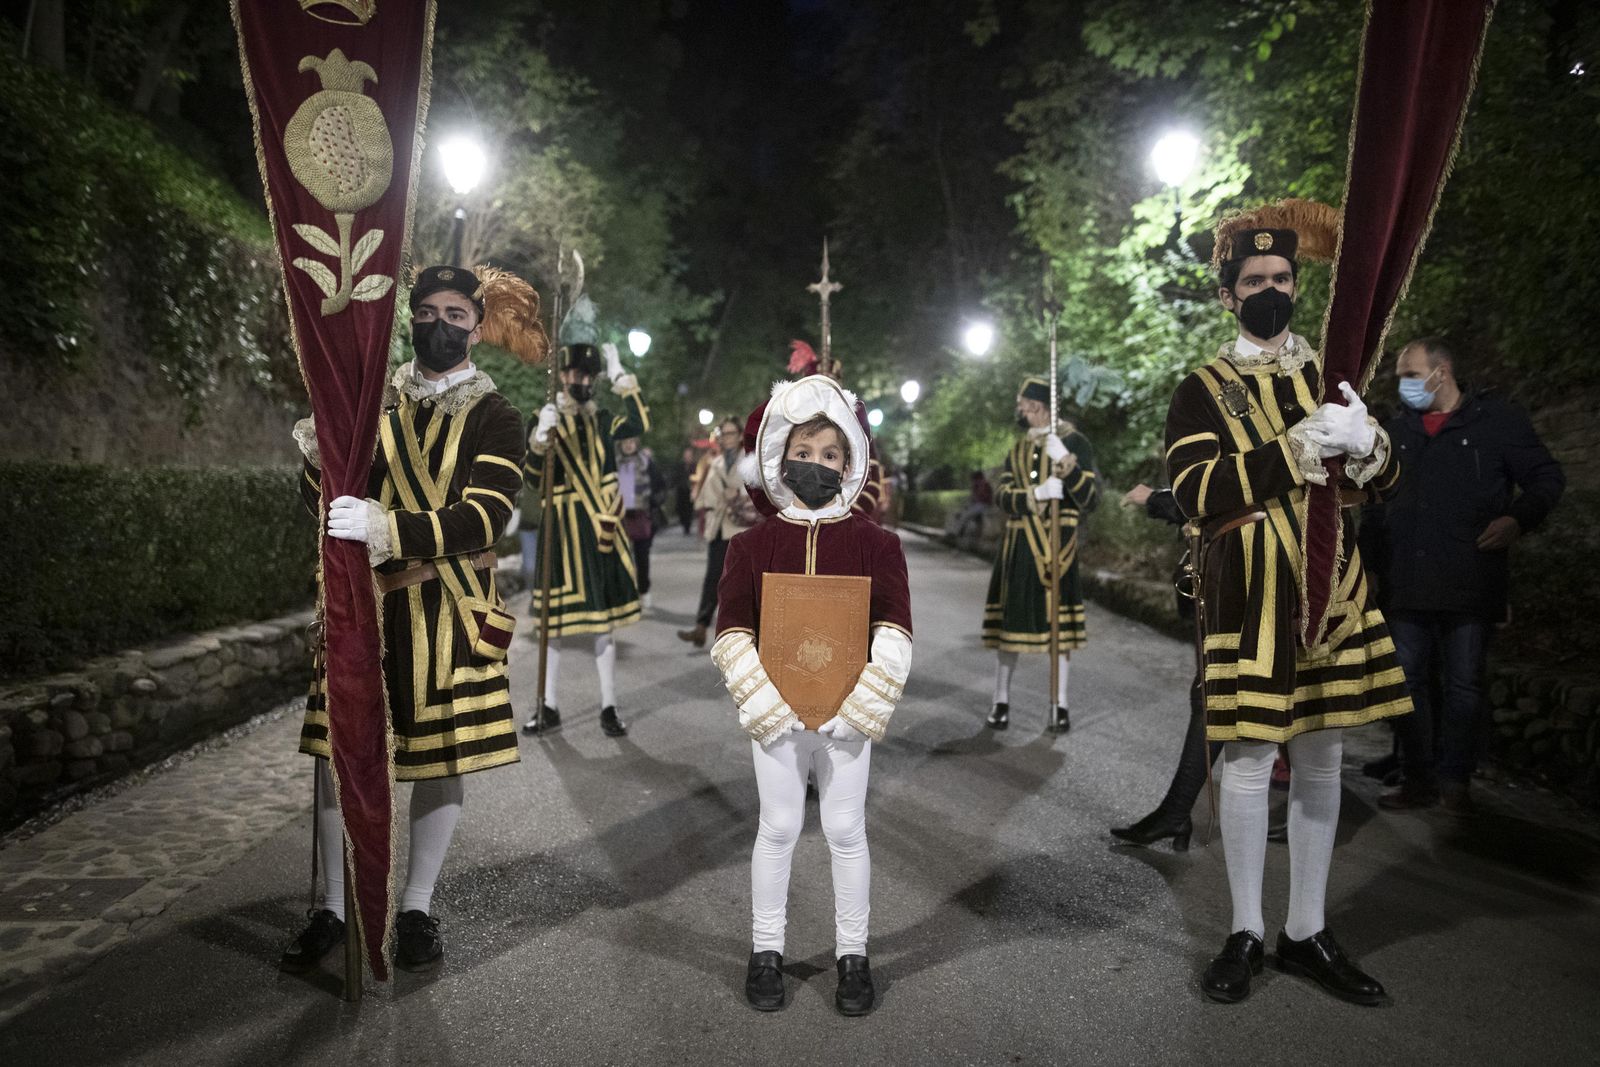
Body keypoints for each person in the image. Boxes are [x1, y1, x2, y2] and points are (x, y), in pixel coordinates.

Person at [1166, 200, 1412, 1006]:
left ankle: (1305, 928)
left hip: (1330, 586)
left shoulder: (1329, 373)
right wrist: (1292, 451)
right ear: (1228, 294)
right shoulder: (1200, 390)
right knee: (1245, 759)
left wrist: (1367, 445)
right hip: (1249, 594)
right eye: (1253, 280)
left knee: (1322, 757)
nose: (1270, 289)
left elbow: (1388, 481)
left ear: (1296, 286)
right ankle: (1244, 926)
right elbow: (1194, 490)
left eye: (1281, 277)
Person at [281, 264, 539, 973]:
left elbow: (486, 515)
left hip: (448, 606)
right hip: (364, 605)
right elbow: (331, 510)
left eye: (456, 313)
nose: (439, 323)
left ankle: (417, 904)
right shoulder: (370, 400)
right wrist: (319, 460)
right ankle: (334, 904)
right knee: (341, 757)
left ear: (478, 328)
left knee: (438, 760)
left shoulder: (498, 415)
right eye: (426, 310)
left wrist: (388, 527)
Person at [710, 374, 913, 1016]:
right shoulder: (751, 545)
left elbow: (896, 627)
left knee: (847, 830)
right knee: (780, 827)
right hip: (775, 713)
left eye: (831, 455)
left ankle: (853, 954)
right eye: (805, 452)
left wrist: (864, 704)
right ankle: (766, 949)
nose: (817, 465)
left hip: (849, 715)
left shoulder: (878, 545)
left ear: (850, 462)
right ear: (780, 455)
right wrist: (765, 703)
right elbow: (731, 631)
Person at [1368, 337, 1564, 814]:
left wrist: (1518, 519)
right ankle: (1418, 778)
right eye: (1401, 375)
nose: (1404, 384)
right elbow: (1375, 503)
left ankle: (1455, 779)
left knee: (1463, 685)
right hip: (1408, 580)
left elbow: (1546, 478)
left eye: (1411, 374)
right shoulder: (1396, 431)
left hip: (1470, 579)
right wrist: (1370, 566)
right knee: (1407, 682)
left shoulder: (1496, 422)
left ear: (1442, 371)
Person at [521, 295, 647, 739]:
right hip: (562, 530)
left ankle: (609, 706)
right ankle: (549, 704)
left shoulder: (604, 419)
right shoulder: (547, 416)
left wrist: (620, 376)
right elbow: (534, 480)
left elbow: (637, 426)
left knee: (601, 621)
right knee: (552, 625)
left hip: (597, 530)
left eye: (589, 375)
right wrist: (539, 438)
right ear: (562, 375)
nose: (582, 380)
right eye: (576, 373)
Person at [981, 376, 1099, 733]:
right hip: (1020, 547)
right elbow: (1001, 495)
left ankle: (1059, 704)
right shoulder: (1017, 449)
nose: (1024, 414)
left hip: (1058, 546)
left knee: (1058, 631)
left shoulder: (1076, 442)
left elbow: (1090, 498)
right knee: (1009, 630)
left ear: (1045, 408)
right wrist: (1036, 493)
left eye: (1030, 408)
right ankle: (1000, 701)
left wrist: (1068, 465)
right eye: (1023, 408)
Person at [678, 417, 758, 648]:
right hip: (719, 526)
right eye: (723, 434)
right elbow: (706, 494)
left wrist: (739, 495)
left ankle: (745, 632)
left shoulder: (750, 461)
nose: (727, 438)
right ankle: (701, 626)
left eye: (731, 433)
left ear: (741, 435)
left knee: (741, 581)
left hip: (740, 528)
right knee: (712, 578)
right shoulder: (716, 461)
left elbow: (759, 493)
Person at [616, 427, 667, 611]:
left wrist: (653, 501)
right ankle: (626, 596)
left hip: (642, 516)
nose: (629, 445)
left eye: (632, 442)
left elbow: (660, 485)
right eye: (625, 442)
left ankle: (644, 591)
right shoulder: (615, 464)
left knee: (641, 558)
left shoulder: (645, 462)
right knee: (622, 559)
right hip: (620, 518)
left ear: (636, 443)